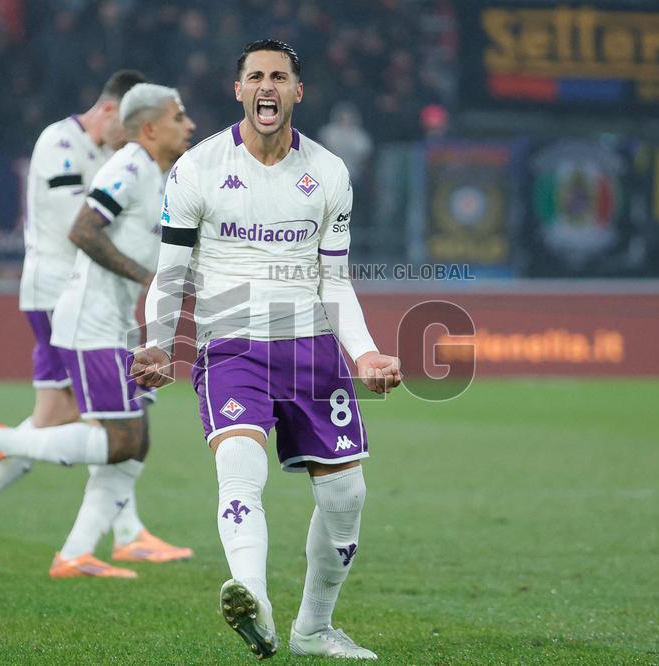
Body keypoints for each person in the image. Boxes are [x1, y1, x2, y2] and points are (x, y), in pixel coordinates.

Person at [131, 39, 401, 659]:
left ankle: (313, 629)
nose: (266, 86)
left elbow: (335, 279)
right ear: (239, 90)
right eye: (255, 77)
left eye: (279, 77)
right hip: (233, 348)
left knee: (346, 497)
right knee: (239, 468)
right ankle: (252, 598)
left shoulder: (328, 172)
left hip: (312, 350)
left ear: (297, 92)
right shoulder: (197, 168)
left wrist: (364, 354)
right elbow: (170, 273)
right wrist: (157, 344)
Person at [0, 83, 197, 578]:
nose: (190, 125)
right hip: (91, 321)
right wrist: (144, 276)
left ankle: (77, 553)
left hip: (115, 321)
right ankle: (1, 441)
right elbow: (83, 229)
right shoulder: (130, 167)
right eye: (179, 117)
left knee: (137, 441)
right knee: (119, 439)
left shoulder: (158, 175)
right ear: (150, 128)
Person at [0, 69, 144, 565]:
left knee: (59, 417)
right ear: (109, 110)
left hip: (78, 295)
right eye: (129, 127)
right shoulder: (60, 142)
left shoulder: (107, 153)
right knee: (109, 414)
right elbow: (78, 224)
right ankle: (121, 533)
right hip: (57, 293)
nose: (131, 140)